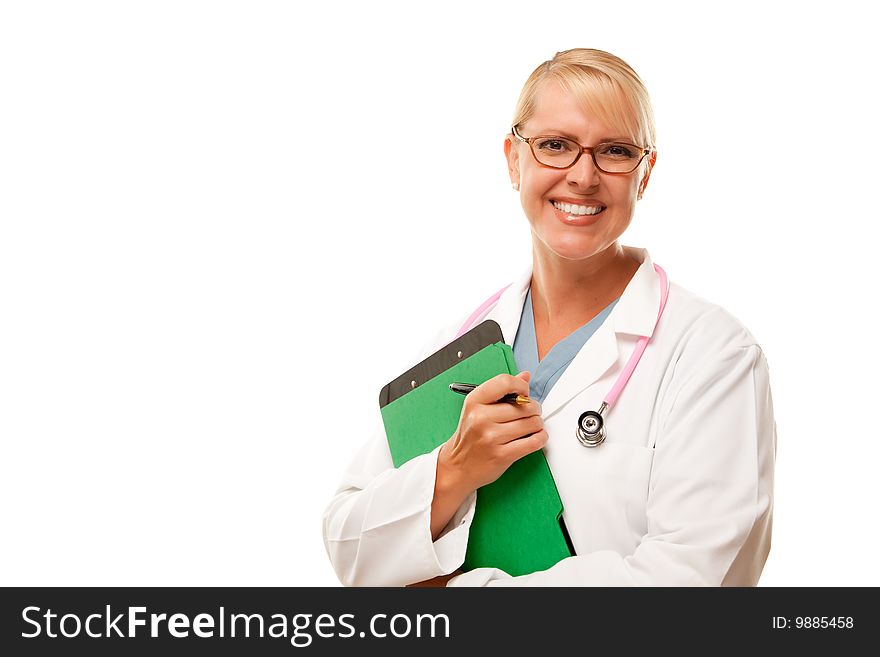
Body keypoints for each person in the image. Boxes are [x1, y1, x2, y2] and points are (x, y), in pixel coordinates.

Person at [322, 48, 776, 586]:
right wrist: (453, 470)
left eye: (615, 150)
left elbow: (689, 578)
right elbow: (348, 542)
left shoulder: (712, 355)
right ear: (514, 159)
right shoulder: (464, 343)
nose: (583, 176)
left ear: (645, 173)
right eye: (555, 145)